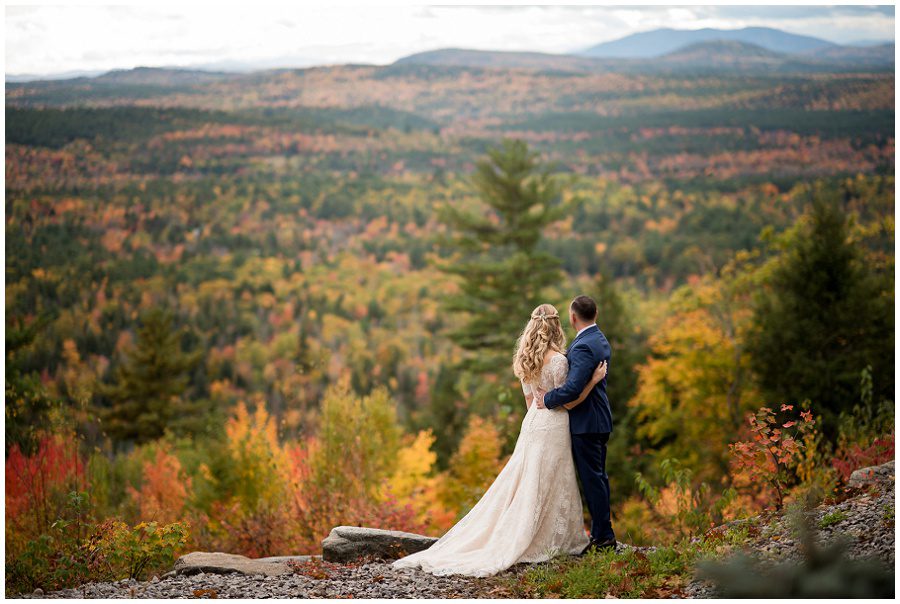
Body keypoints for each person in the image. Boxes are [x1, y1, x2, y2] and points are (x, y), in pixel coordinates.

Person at [391, 303, 606, 577]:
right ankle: (551, 537)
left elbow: (530, 401)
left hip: (532, 425)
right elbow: (571, 402)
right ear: (556, 326)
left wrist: (539, 416)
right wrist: (594, 380)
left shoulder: (525, 359)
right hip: (554, 423)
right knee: (554, 479)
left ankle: (529, 531)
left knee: (529, 480)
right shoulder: (559, 360)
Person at [533, 294, 616, 553]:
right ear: (596, 314)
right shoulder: (599, 339)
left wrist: (546, 398)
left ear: (572, 317)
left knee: (593, 481)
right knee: (598, 479)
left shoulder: (582, 346)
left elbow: (571, 389)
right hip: (598, 420)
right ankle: (603, 534)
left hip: (586, 423)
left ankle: (603, 539)